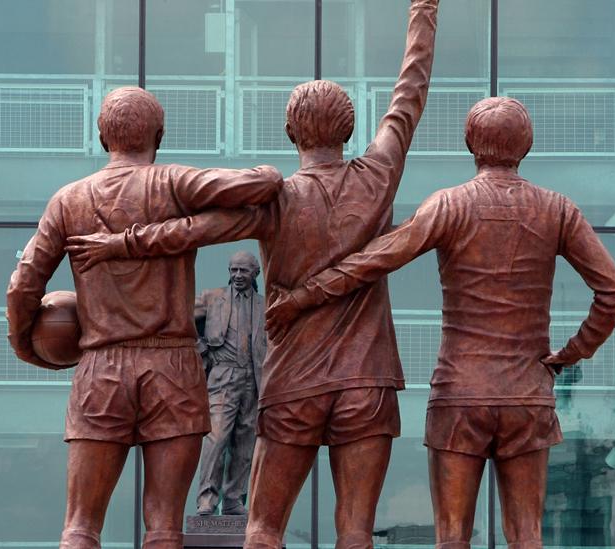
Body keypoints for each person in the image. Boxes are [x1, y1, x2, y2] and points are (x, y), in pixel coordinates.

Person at [64, 2, 439, 547]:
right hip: (369, 381)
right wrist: (423, 11)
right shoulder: (378, 175)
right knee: (356, 533)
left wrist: (117, 242)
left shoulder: (277, 201)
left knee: (262, 531)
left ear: (289, 132)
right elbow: (411, 90)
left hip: (292, 386)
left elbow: (191, 231)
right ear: (352, 127)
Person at [266, 97, 615, 549]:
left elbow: (375, 260)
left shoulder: (449, 205)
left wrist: (303, 296)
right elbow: (614, 292)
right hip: (527, 394)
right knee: (526, 538)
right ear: (527, 146)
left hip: (460, 395)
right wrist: (572, 353)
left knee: (452, 539)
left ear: (469, 144)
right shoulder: (556, 210)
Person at [5, 87, 282, 549]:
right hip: (172, 368)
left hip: (100, 367)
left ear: (101, 136)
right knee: (164, 528)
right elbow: (261, 186)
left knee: (79, 526)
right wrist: (270, 172)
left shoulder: (68, 199)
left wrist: (25, 346)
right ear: (159, 135)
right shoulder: (173, 182)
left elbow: (23, 285)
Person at [191, 251, 267, 516]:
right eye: (233, 270)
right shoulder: (212, 299)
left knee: (245, 443)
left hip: (253, 379)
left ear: (255, 273)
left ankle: (234, 499)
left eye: (243, 271)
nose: (237, 275)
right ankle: (207, 498)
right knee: (217, 437)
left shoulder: (264, 305)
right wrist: (201, 350)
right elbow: (181, 320)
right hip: (223, 376)